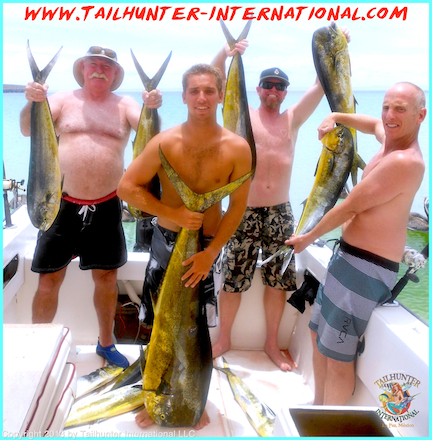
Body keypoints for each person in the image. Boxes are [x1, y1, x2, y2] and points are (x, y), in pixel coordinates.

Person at [117, 64, 252, 429]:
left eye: (209, 90)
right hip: (166, 242)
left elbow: (237, 207)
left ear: (221, 95)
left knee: (196, 328)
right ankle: (153, 391)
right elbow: (127, 188)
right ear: (184, 96)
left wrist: (211, 253)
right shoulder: (164, 143)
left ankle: (193, 395)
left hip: (206, 247)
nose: (202, 97)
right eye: (194, 91)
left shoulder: (237, 148)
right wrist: (172, 212)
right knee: (156, 321)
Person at [210, 29, 350, 371]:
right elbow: (215, 83)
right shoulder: (241, 114)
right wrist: (226, 53)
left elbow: (321, 85)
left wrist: (339, 48)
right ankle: (223, 339)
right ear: (258, 90)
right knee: (233, 278)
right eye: (268, 85)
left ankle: (272, 343)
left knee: (278, 280)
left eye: (280, 86)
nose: (273, 91)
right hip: (242, 209)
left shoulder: (293, 119)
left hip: (281, 213)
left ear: (285, 92)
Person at [20, 46, 162, 368]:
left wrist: (152, 107)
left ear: (115, 74)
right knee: (49, 280)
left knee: (107, 280)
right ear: (83, 69)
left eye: (106, 66)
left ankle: (106, 343)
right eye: (93, 64)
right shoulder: (60, 100)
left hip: (108, 205)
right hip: (59, 205)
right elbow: (28, 129)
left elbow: (153, 139)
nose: (99, 69)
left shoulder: (126, 105)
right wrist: (33, 101)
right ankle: (38, 344)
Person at [285, 82, 426, 405]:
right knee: (317, 335)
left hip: (367, 270)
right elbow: (373, 124)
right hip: (346, 259)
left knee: (337, 356)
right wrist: (336, 116)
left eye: (400, 109)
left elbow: (350, 207)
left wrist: (307, 237)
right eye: (386, 107)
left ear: (420, 116)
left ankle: (330, 422)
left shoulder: (405, 161)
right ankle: (318, 408)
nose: (389, 116)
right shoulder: (388, 141)